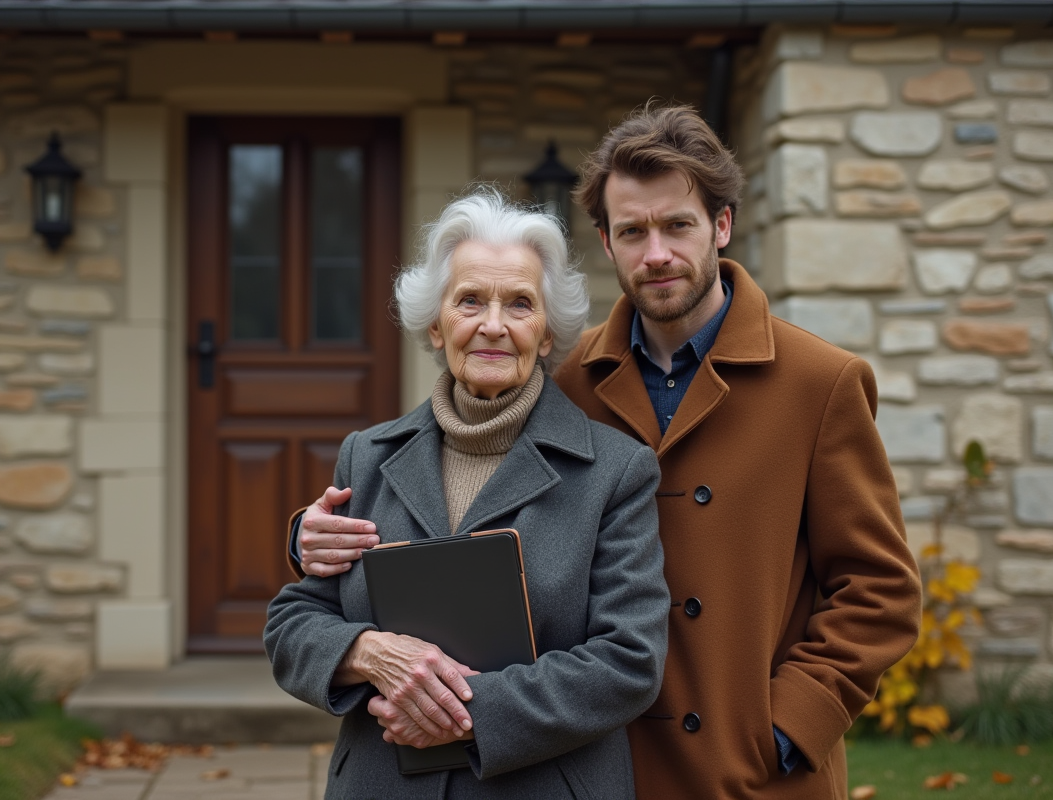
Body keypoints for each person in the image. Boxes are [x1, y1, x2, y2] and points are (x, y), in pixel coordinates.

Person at [288, 105, 923, 799]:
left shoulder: (818, 383)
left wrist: (789, 724)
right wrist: (307, 536)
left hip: (747, 769)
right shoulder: (566, 377)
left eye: (677, 225)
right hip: (588, 763)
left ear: (722, 225)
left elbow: (879, 588)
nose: (656, 254)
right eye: (632, 231)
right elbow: (448, 489)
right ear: (607, 241)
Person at [264, 189, 670, 799]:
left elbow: (629, 660)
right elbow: (293, 624)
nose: (493, 325)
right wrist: (368, 652)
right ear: (435, 323)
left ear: (548, 330)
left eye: (520, 304)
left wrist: (462, 711)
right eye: (470, 300)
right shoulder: (366, 457)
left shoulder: (616, 471)